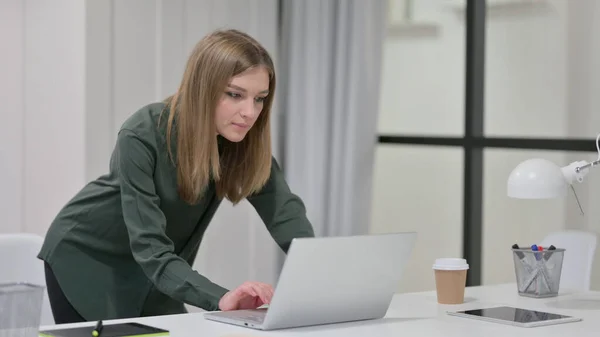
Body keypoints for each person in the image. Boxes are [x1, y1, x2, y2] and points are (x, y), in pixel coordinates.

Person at [37, 29, 315, 324]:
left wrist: (319, 271)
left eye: (260, 98)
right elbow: (151, 248)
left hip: (160, 275)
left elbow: (285, 214)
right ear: (202, 87)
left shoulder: (241, 142)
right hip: (88, 262)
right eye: (235, 94)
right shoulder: (143, 132)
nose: (249, 112)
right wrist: (220, 297)